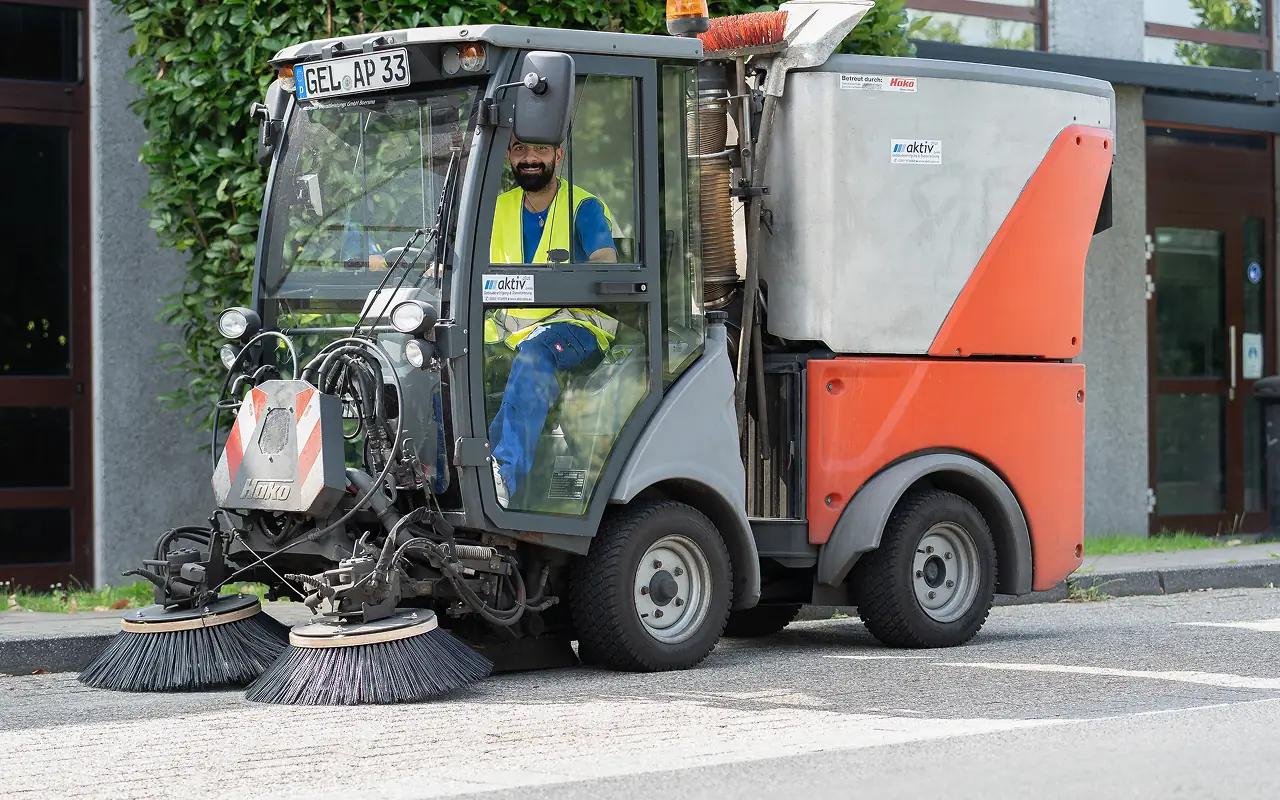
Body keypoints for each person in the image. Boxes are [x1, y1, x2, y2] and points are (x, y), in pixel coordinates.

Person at [486, 136, 620, 507]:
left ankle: (501, 478)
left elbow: (604, 259)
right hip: (512, 333)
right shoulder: (494, 209)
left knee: (534, 355)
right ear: (509, 156)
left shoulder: (583, 206)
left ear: (558, 155)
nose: (530, 158)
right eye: (519, 150)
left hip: (576, 327)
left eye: (540, 150)